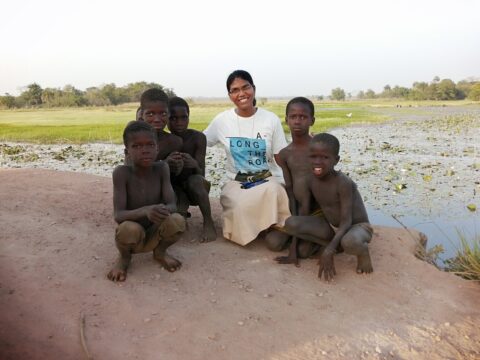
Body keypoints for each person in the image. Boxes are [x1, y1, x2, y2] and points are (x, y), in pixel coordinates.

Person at [203, 70, 290, 246]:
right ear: (230, 95)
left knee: (274, 190)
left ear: (254, 89)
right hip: (237, 181)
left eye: (245, 87)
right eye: (235, 90)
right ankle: (263, 226)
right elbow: (200, 141)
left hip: (267, 178)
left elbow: (280, 155)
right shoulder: (222, 121)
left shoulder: (270, 119)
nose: (241, 94)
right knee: (239, 206)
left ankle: (273, 226)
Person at [282, 133, 373, 281]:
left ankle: (362, 252)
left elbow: (346, 221)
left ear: (336, 160)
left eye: (325, 157)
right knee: (291, 223)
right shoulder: (310, 180)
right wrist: (293, 249)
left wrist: (328, 251)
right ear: (308, 157)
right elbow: (304, 214)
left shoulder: (343, 182)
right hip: (334, 226)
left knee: (350, 242)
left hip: (357, 226)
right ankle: (336, 246)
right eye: (313, 157)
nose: (318, 162)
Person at [107, 121, 186, 282]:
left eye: (150, 145)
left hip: (156, 229)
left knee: (177, 220)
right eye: (136, 146)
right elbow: (119, 215)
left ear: (157, 148)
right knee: (128, 228)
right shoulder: (122, 173)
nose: (145, 150)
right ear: (127, 151)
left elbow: (172, 204)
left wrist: (162, 210)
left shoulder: (162, 168)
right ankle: (124, 258)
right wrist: (145, 211)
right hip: (133, 232)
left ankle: (160, 252)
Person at [267, 97, 330, 264]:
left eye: (303, 117)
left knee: (302, 251)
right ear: (286, 120)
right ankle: (302, 238)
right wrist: (293, 222)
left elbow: (321, 191)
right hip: (298, 212)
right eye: (293, 116)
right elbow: (291, 192)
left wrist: (293, 250)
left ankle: (327, 243)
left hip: (320, 214)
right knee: (273, 243)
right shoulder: (285, 154)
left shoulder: (318, 150)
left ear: (312, 120)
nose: (297, 121)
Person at [166, 96, 217, 242]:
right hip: (173, 189)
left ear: (189, 117)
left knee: (196, 181)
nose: (179, 123)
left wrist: (193, 164)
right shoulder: (164, 140)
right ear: (166, 119)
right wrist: (168, 164)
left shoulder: (198, 138)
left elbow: (202, 174)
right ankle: (181, 213)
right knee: (178, 224)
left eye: (184, 117)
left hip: (194, 187)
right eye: (173, 118)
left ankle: (208, 221)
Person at [140, 88, 182, 161]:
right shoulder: (135, 140)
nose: (157, 119)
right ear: (142, 115)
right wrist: (164, 164)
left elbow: (176, 171)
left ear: (169, 114)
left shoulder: (175, 142)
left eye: (163, 113)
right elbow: (130, 170)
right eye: (150, 114)